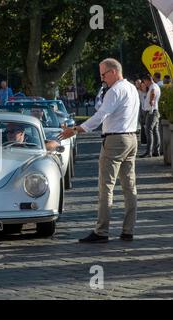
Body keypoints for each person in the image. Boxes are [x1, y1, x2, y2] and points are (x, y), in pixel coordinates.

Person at [58, 58, 139, 243]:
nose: (102, 79)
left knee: (106, 187)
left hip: (115, 140)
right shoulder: (132, 88)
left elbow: (100, 115)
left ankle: (102, 231)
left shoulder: (115, 90)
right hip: (132, 138)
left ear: (112, 72)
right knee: (129, 186)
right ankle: (128, 230)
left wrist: (77, 129)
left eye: (103, 75)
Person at [140, 74, 161, 157]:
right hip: (154, 111)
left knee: (148, 131)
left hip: (151, 112)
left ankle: (149, 152)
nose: (144, 83)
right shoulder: (155, 86)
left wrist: (151, 100)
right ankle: (156, 151)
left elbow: (153, 93)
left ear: (147, 80)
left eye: (144, 82)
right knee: (155, 131)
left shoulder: (153, 87)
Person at [135, 79, 147, 144]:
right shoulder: (137, 91)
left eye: (139, 84)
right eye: (137, 84)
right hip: (140, 109)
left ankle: (145, 139)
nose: (139, 85)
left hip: (145, 109)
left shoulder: (145, 91)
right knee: (142, 124)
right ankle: (143, 140)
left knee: (145, 125)